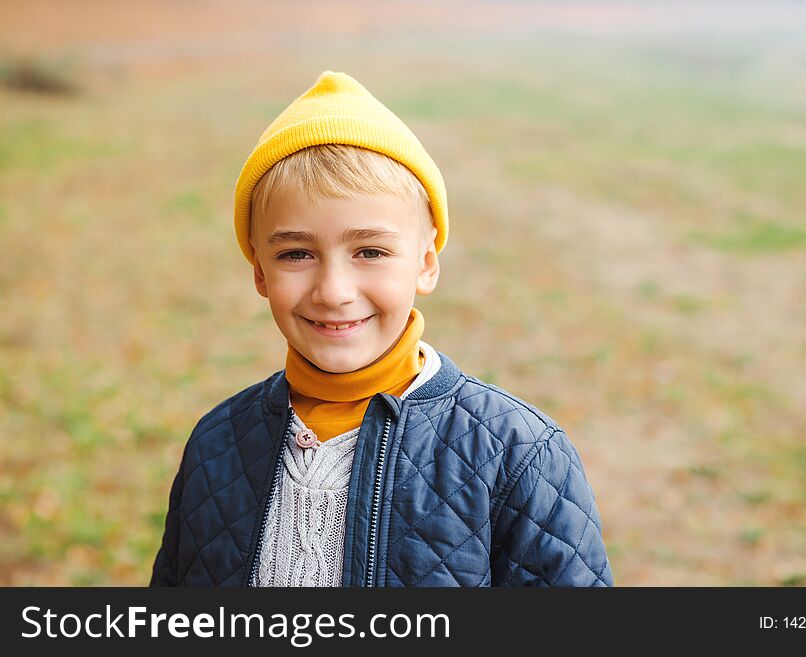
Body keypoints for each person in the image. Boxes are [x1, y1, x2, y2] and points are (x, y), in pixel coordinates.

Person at [150, 70, 613, 587]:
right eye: (296, 253)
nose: (334, 290)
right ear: (260, 271)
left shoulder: (517, 454)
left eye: (370, 251)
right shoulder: (218, 444)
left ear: (426, 263)